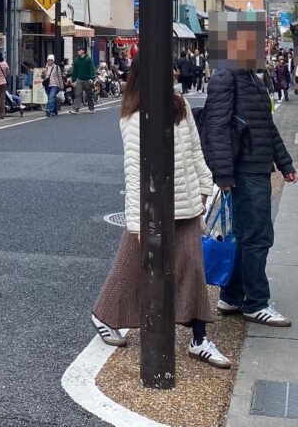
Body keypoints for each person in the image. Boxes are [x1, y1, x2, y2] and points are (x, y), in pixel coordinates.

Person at [90, 59, 231, 369]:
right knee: (129, 268)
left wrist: (205, 184)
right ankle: (104, 315)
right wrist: (137, 221)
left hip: (186, 201)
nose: (171, 74)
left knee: (192, 266)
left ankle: (199, 338)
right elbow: (134, 172)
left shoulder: (179, 105)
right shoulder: (134, 116)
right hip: (153, 207)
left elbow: (195, 149)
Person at [201, 10, 297, 327]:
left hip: (255, 167)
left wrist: (285, 163)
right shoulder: (226, 77)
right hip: (244, 170)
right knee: (257, 236)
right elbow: (216, 128)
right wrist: (223, 175)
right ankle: (256, 302)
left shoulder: (251, 77)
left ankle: (231, 296)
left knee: (244, 236)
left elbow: (266, 126)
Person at [71, 46, 96, 111]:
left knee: (89, 94)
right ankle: (75, 109)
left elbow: (91, 69)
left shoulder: (88, 59)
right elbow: (74, 71)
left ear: (83, 51)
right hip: (79, 79)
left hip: (87, 79)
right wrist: (73, 80)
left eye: (79, 50)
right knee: (77, 94)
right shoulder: (76, 60)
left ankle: (91, 108)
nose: (78, 51)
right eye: (78, 50)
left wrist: (91, 78)